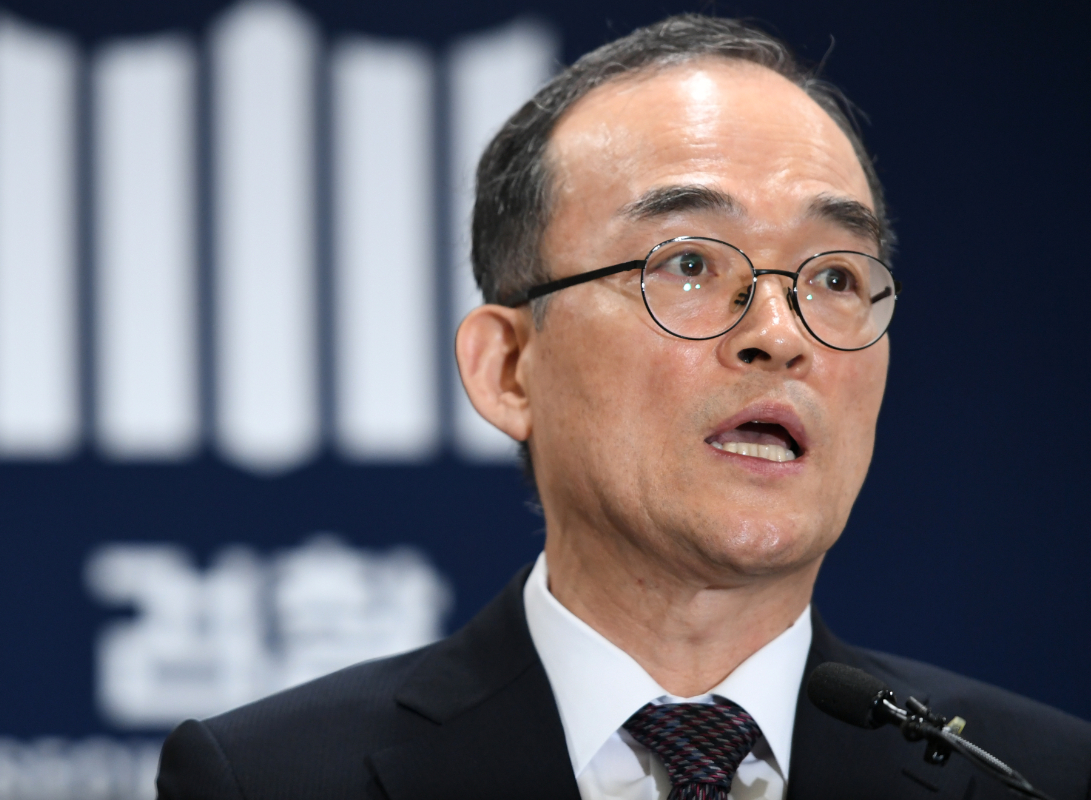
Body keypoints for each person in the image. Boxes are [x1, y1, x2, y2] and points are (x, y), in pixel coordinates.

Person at [155, 13, 1091, 800]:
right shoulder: (273, 780)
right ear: (508, 369)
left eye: (836, 277)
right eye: (688, 263)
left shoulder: (1038, 777)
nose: (781, 333)